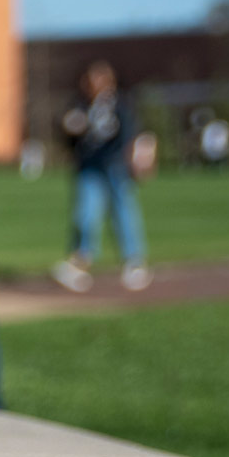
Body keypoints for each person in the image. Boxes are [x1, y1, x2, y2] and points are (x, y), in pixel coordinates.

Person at [51, 61, 154, 293]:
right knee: (85, 213)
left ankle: (134, 261)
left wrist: (137, 158)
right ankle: (81, 262)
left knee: (123, 211)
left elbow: (131, 132)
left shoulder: (119, 104)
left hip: (115, 165)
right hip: (89, 166)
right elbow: (69, 135)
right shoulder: (80, 105)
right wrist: (70, 132)